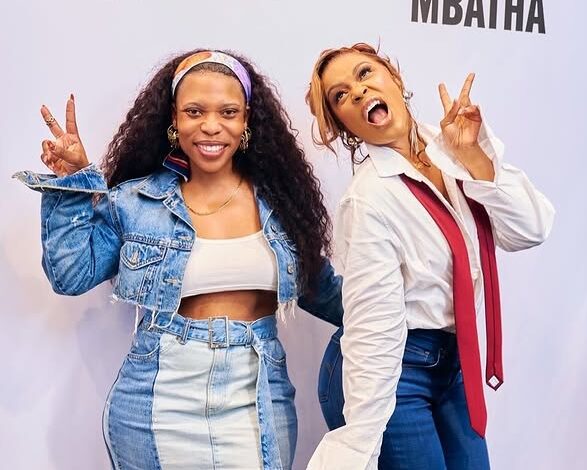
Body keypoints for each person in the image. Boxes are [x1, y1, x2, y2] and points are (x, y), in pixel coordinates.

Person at [14, 49, 343, 470]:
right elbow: (71, 276)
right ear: (174, 118)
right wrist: (72, 183)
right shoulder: (135, 201)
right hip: (157, 402)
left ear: (246, 120)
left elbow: (327, 293)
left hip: (258, 398)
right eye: (194, 111)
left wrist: (410, 318)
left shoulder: (282, 206)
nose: (211, 126)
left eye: (228, 112)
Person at [304, 42, 555, 470]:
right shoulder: (369, 199)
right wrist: (358, 442)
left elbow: (530, 229)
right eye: (340, 95)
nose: (358, 92)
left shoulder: (456, 145)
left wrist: (475, 159)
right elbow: (374, 327)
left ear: (394, 78)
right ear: (343, 123)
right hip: (392, 367)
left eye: (365, 74)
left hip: (455, 362)